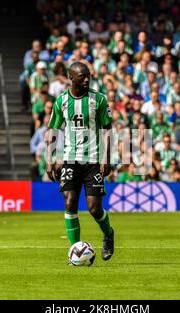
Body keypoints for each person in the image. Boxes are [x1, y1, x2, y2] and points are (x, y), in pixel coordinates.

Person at [45, 61, 115, 262]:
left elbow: (107, 129)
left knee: (94, 208)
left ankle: (108, 234)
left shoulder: (98, 100)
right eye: (82, 76)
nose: (86, 79)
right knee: (70, 202)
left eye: (88, 76)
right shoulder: (61, 101)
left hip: (93, 160)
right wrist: (50, 160)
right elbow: (53, 130)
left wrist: (106, 158)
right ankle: (73, 251)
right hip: (69, 159)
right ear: (71, 78)